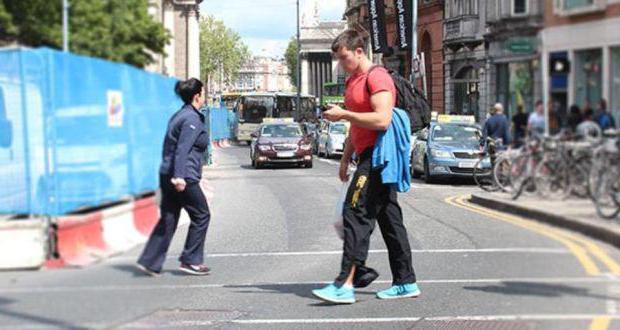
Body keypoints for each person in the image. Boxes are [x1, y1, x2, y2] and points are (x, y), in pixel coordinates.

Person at [311, 30, 419, 304]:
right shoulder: (353, 79)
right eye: (338, 59)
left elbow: (382, 119)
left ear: (359, 51)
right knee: (389, 220)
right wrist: (346, 157)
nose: (341, 64)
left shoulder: (377, 76)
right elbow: (356, 125)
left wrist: (344, 113)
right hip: (364, 154)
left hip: (378, 157)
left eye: (344, 58)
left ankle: (345, 284)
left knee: (355, 212)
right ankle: (405, 282)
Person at [136, 78, 212, 276]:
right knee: (201, 214)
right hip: (183, 175)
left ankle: (150, 261)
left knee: (169, 217)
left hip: (167, 173)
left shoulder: (179, 115)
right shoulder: (192, 119)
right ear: (197, 96)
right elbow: (182, 149)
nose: (205, 96)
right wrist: (179, 176)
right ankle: (191, 260)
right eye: (203, 93)